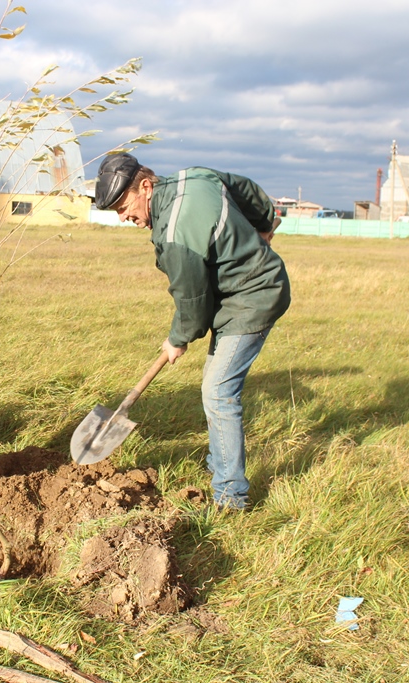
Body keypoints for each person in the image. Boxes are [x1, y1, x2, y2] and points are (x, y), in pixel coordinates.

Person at [94, 153, 290, 510]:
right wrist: (265, 223)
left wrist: (178, 338)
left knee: (218, 392)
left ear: (146, 187)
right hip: (237, 293)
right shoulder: (194, 177)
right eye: (116, 213)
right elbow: (244, 187)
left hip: (253, 297)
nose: (123, 218)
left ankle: (231, 496)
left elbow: (192, 299)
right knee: (216, 386)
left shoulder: (174, 234)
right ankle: (220, 463)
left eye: (123, 207)